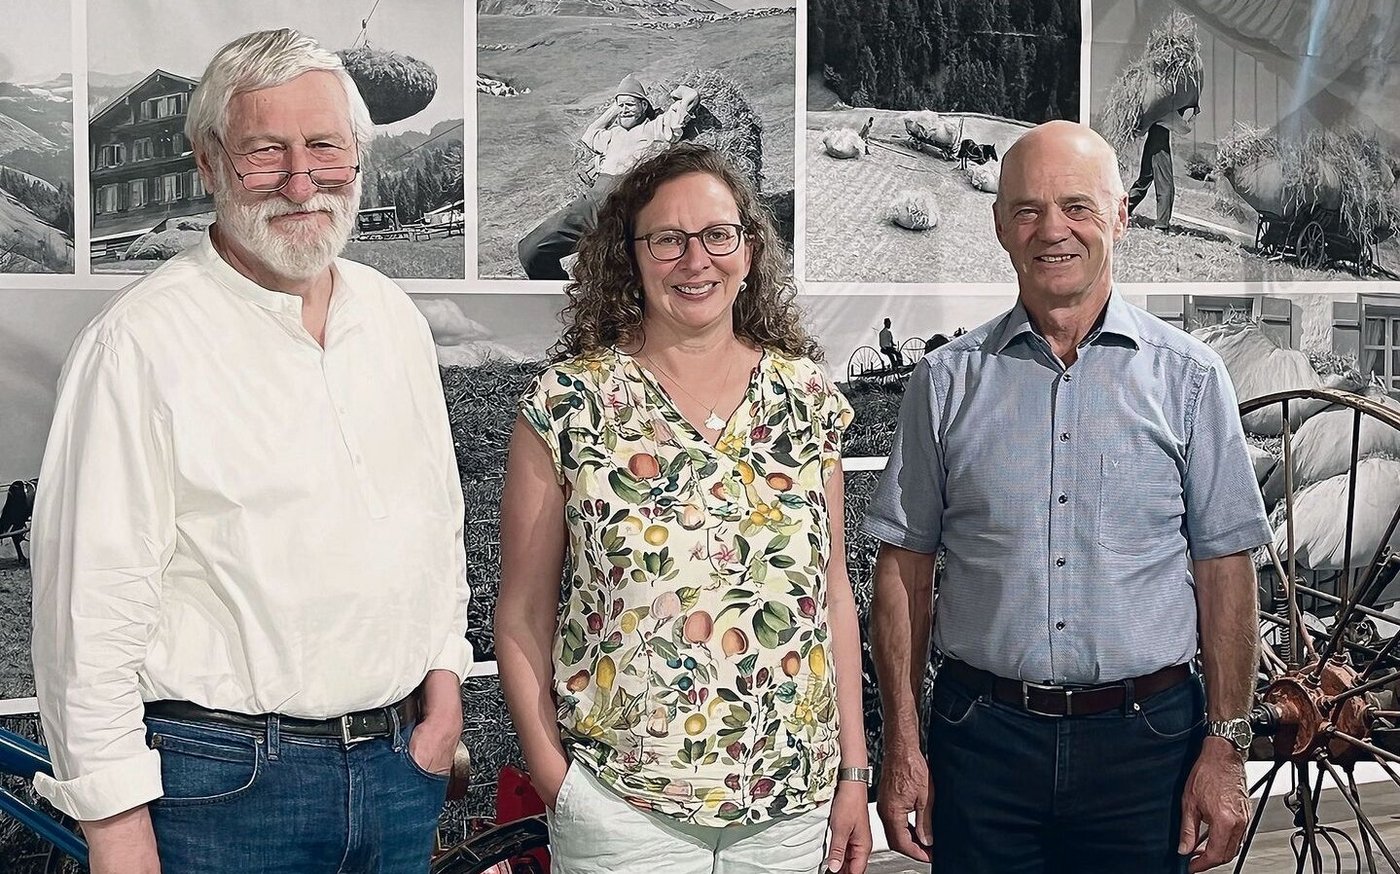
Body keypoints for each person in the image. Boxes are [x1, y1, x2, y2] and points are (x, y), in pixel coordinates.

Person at [30, 29, 471, 874]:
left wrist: (444, 690)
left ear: (357, 156)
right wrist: (119, 837)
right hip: (223, 791)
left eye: (325, 148)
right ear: (209, 164)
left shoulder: (393, 320)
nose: (302, 182)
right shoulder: (138, 344)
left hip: (396, 771)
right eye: (266, 152)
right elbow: (88, 617)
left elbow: (435, 526)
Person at [864, 120, 1270, 874]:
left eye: (1078, 206)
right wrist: (904, 748)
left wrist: (1226, 744)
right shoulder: (945, 383)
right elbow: (903, 573)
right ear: (998, 225)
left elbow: (1225, 572)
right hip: (981, 744)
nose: (1054, 230)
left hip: (1148, 750)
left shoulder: (1190, 379)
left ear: (1121, 214)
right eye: (1028, 210)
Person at [497, 143, 872, 874]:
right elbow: (520, 615)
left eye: (716, 236)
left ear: (750, 250)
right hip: (622, 812)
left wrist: (853, 773)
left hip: (789, 815)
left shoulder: (806, 400)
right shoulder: (567, 405)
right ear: (630, 257)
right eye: (667, 239)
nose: (694, 260)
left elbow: (831, 594)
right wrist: (558, 780)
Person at [517, 74, 700, 280]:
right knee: (530, 249)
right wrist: (616, 107)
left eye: (630, 104)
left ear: (643, 105)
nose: (624, 109)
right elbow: (590, 134)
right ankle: (556, 297)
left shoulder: (654, 128)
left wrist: (681, 93)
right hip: (592, 203)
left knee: (613, 273)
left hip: (626, 205)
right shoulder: (612, 135)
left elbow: (688, 101)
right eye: (621, 105)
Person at [1127, 104, 1199, 231]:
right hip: (1157, 138)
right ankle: (1126, 211)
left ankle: (1160, 224)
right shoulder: (1167, 100)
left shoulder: (1167, 99)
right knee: (1152, 180)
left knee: (1153, 181)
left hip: (1158, 137)